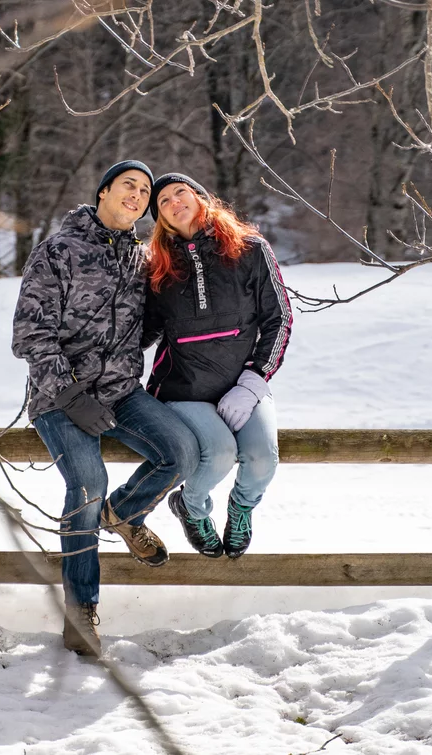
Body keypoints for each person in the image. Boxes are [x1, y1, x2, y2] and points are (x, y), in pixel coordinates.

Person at [11, 161, 199, 658]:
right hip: (60, 397)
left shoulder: (141, 258)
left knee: (181, 451)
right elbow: (30, 335)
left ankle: (124, 513)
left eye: (144, 190)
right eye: (128, 186)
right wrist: (72, 396)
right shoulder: (58, 251)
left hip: (119, 392)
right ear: (102, 193)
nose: (137, 195)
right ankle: (81, 613)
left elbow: (148, 328)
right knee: (87, 484)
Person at [142, 172, 293, 560]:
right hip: (182, 387)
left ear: (201, 197)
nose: (175, 202)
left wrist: (253, 382)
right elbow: (142, 332)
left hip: (243, 385)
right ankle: (190, 507)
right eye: (163, 202)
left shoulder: (250, 249)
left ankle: (241, 509)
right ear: (160, 219)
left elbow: (280, 318)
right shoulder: (158, 267)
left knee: (262, 459)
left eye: (181, 192)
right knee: (220, 454)